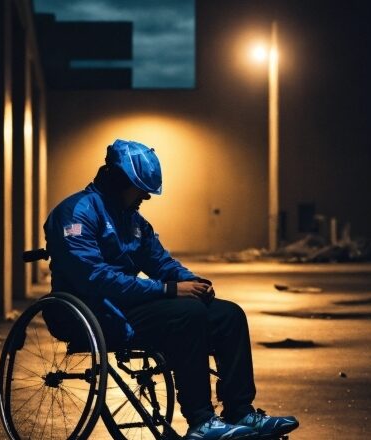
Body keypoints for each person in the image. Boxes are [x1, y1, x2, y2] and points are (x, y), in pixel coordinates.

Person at [44, 139, 299, 440]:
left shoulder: (133, 221)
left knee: (228, 314)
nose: (146, 198)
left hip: (124, 306)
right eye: (141, 191)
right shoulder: (76, 212)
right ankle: (201, 421)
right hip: (88, 312)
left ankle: (239, 411)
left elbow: (161, 261)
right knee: (185, 314)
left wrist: (194, 282)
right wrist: (168, 290)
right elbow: (94, 278)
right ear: (120, 181)